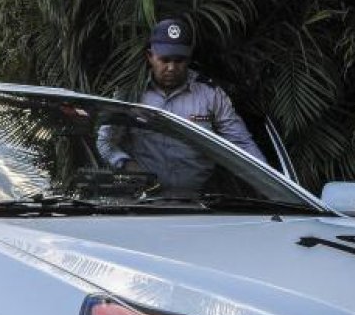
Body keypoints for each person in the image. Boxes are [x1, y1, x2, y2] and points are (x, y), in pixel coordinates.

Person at [97, 18, 266, 194]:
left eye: (179, 60)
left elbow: (242, 144)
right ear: (150, 56)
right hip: (142, 202)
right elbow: (105, 142)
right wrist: (127, 165)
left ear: (189, 57)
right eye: (164, 59)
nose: (171, 67)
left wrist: (268, 185)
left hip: (198, 204)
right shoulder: (129, 94)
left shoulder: (210, 94)